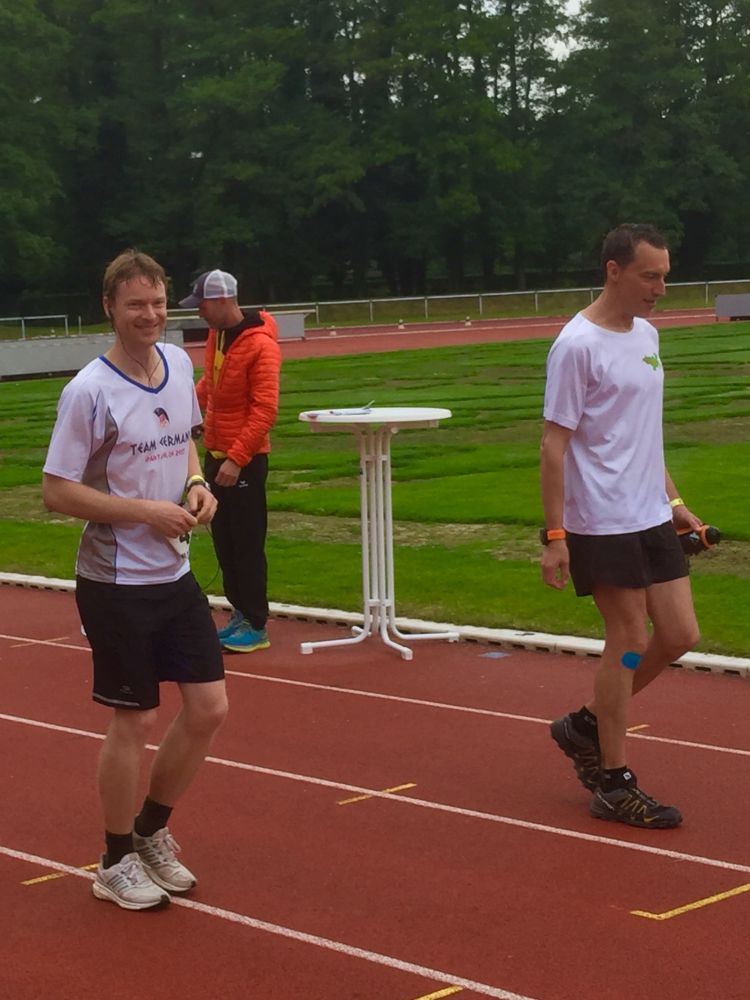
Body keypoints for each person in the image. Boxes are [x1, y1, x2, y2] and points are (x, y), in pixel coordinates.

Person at [42, 250, 228, 910]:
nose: (149, 315)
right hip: (115, 580)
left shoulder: (177, 363)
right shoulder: (89, 391)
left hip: (174, 571)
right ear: (109, 308)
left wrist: (197, 482)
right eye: (135, 305)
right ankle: (115, 858)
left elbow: (184, 441)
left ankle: (150, 831)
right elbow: (57, 491)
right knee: (137, 717)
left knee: (208, 708)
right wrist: (146, 511)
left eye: (157, 303)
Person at [540, 223, 702, 829]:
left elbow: (642, 433)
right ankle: (613, 781)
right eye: (649, 276)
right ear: (614, 270)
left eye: (664, 276)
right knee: (630, 639)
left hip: (650, 513)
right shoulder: (576, 345)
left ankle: (586, 723)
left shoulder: (647, 335)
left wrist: (673, 499)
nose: (660, 288)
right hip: (601, 519)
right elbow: (553, 446)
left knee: (679, 634)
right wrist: (556, 537)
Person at [179, 269, 281, 653]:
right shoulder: (217, 336)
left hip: (245, 462)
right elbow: (211, 384)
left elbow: (265, 409)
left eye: (202, 304)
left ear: (223, 300)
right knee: (224, 541)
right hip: (216, 454)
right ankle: (240, 612)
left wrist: (237, 459)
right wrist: (186, 411)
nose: (199, 311)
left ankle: (256, 623)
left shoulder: (261, 345)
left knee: (247, 543)